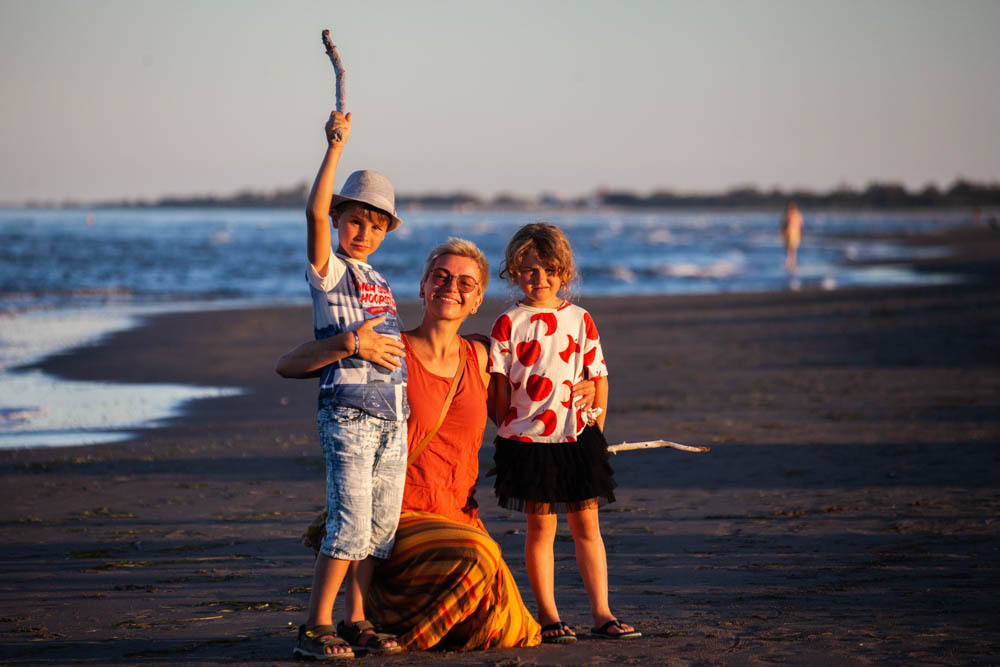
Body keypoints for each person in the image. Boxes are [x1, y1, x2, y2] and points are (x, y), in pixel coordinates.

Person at [276, 238, 598, 651]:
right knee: (478, 556)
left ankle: (395, 617)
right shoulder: (390, 351)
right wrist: (348, 344)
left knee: (513, 629)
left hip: (460, 516)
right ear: (423, 286)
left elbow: (531, 404)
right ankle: (375, 618)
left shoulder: (482, 356)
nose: (451, 287)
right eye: (441, 277)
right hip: (399, 518)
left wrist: (585, 388)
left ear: (478, 299)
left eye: (466, 283)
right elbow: (287, 365)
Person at [290, 108, 407, 659]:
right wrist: (335, 146)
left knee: (380, 528)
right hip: (350, 411)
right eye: (354, 221)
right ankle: (315, 625)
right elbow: (312, 213)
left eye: (376, 225)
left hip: (391, 416)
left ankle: (358, 619)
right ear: (340, 222)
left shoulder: (379, 278)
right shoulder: (330, 269)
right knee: (349, 520)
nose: (363, 233)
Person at [488, 222, 640, 643]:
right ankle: (550, 617)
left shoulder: (580, 319)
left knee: (587, 527)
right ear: (514, 272)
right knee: (541, 530)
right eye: (529, 269)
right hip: (528, 442)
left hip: (578, 439)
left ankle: (602, 613)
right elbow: (497, 389)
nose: (540, 279)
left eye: (549, 270)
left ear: (564, 273)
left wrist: (597, 432)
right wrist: (506, 429)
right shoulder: (508, 323)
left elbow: (600, 377)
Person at [781, 202, 803, 273]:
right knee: (792, 249)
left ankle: (790, 263)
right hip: (793, 234)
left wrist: (782, 232)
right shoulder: (797, 215)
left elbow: (784, 225)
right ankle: (791, 263)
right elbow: (801, 225)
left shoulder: (789, 215)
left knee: (790, 249)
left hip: (792, 234)